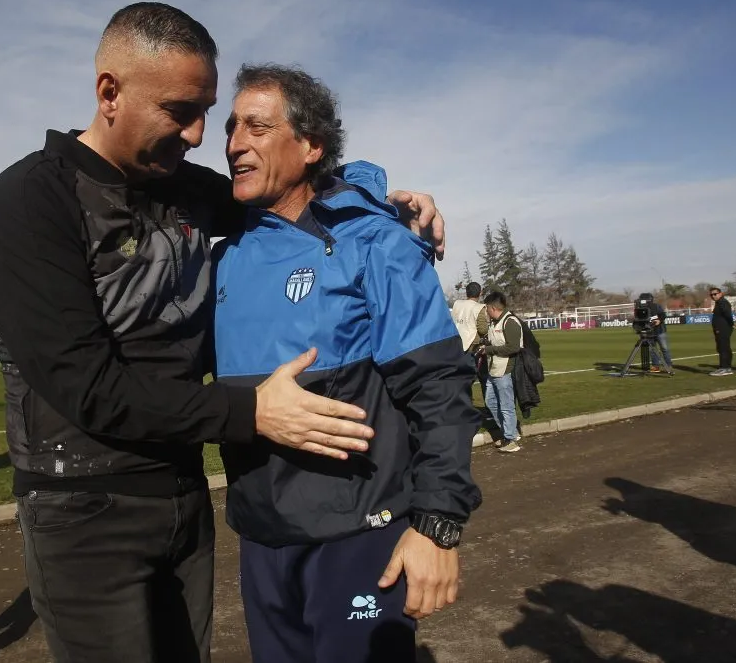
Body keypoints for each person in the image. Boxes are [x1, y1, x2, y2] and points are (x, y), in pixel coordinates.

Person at [0, 2, 446, 663]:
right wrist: (253, 411)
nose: (201, 137)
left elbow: (293, 188)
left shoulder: (177, 184)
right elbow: (90, 387)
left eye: (208, 113)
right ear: (109, 92)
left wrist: (381, 198)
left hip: (183, 500)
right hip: (82, 511)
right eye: (181, 110)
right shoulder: (33, 198)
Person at [212, 64, 481, 662]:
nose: (234, 143)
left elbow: (438, 386)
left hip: (361, 535)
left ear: (311, 147)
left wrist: (437, 524)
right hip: (261, 539)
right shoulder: (223, 257)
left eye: (257, 126)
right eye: (231, 127)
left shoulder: (375, 243)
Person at [479, 291, 523, 453]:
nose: (485, 312)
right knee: (490, 401)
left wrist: (489, 349)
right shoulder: (494, 323)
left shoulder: (510, 322)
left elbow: (513, 347)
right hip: (493, 369)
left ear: (492, 307)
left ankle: (511, 439)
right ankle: (509, 432)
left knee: (506, 405)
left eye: (486, 309)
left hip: (505, 370)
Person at [633, 293, 673, 373]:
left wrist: (659, 320)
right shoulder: (638, 309)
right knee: (652, 350)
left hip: (659, 331)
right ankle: (655, 366)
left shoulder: (656, 306)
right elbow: (637, 320)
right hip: (648, 332)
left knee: (664, 348)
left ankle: (668, 365)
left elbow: (663, 315)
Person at [452, 282, 489, 354]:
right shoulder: (479, 308)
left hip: (456, 344)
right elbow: (483, 330)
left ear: (466, 293)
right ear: (480, 293)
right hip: (472, 347)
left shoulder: (457, 304)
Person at [709, 286, 735, 376]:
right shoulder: (719, 302)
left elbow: (727, 314)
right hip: (721, 328)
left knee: (723, 348)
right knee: (724, 347)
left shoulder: (722, 302)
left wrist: (732, 323)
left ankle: (724, 368)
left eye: (715, 294)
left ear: (720, 294)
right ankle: (727, 367)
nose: (713, 296)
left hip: (722, 328)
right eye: (711, 295)